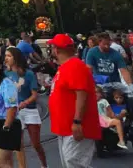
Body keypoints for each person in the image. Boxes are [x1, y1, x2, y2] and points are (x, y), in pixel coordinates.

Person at [47, 34, 100, 168]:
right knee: (70, 162)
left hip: (76, 127)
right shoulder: (65, 66)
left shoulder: (74, 66)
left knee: (74, 162)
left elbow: (82, 94)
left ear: (56, 49)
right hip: (66, 127)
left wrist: (77, 121)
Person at [5, 46, 47, 168]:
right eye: (6, 56)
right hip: (15, 112)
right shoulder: (5, 74)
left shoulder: (28, 74)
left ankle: (44, 165)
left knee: (36, 144)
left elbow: (35, 95)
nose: (6, 58)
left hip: (29, 110)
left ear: (16, 58)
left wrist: (25, 103)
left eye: (9, 56)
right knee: (18, 144)